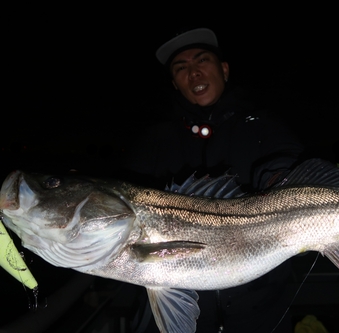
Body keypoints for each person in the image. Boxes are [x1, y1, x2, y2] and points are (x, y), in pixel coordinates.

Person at [122, 28, 304, 332]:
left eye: (202, 61)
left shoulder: (263, 125)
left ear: (224, 69)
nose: (193, 73)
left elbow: (288, 161)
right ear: (174, 84)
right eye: (181, 69)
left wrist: (280, 178)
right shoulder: (155, 139)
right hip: (182, 301)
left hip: (262, 305)